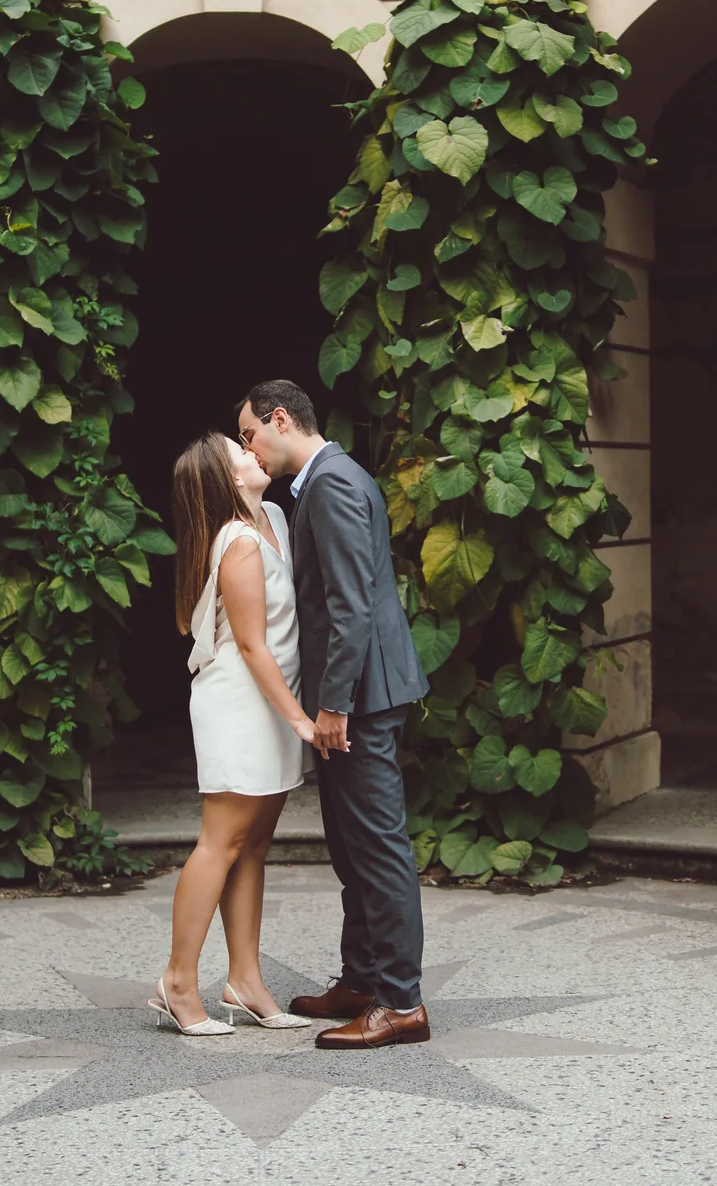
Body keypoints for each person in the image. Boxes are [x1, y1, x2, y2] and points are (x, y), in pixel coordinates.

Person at [235, 378, 431, 1050]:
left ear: (280, 418)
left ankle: (401, 1001)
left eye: (249, 434)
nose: (249, 449)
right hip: (359, 694)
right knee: (352, 847)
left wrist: (332, 707)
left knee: (378, 848)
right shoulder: (327, 480)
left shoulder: (335, 483)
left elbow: (349, 606)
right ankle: (362, 978)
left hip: (362, 698)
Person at [151, 432, 320, 1036]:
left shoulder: (273, 515)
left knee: (252, 845)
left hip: (271, 700)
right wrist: (300, 717)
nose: (254, 454)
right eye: (240, 453)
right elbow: (250, 645)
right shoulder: (238, 543)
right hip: (241, 703)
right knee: (220, 841)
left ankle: (244, 981)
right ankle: (177, 981)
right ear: (228, 480)